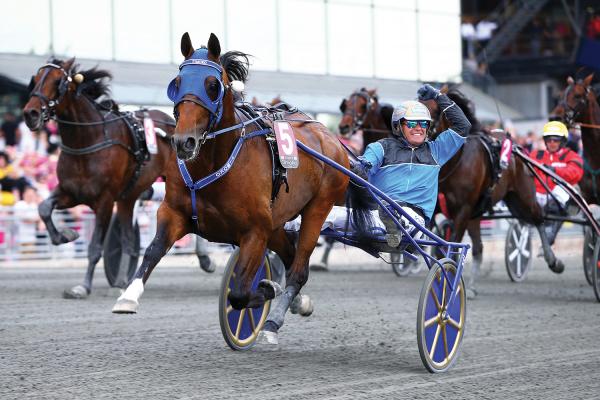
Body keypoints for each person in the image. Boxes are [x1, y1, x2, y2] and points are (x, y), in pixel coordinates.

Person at [350, 84, 471, 247]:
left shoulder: (436, 151)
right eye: (413, 124)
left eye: (424, 124)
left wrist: (438, 96)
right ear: (398, 126)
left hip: (414, 219)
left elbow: (463, 126)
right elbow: (367, 161)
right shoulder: (381, 147)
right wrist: (360, 167)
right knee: (330, 216)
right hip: (375, 216)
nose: (419, 128)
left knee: (397, 212)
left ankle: (393, 222)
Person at [533, 121, 584, 245]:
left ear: (562, 141)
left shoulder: (571, 156)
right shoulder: (536, 155)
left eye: (555, 140)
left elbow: (575, 173)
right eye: (549, 140)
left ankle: (552, 232)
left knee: (560, 190)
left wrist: (555, 170)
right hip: (537, 195)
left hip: (558, 198)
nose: (552, 143)